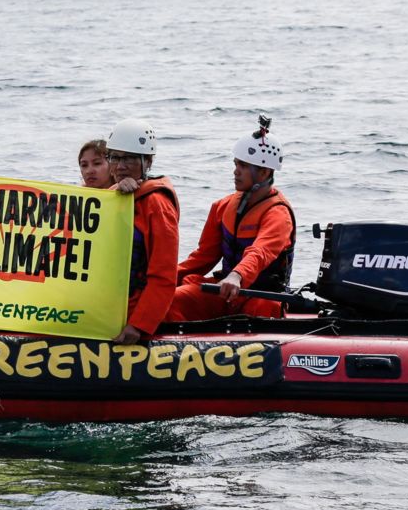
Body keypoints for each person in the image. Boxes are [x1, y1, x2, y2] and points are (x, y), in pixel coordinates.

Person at [167, 118, 295, 322]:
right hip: (225, 291)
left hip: (260, 295)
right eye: (236, 164)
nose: (236, 171)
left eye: (243, 166)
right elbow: (202, 258)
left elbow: (260, 252)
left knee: (265, 308)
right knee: (172, 300)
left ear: (264, 172)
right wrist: (164, 278)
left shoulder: (278, 214)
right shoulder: (222, 206)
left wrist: (237, 275)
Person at [105, 119, 180, 345]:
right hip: (103, 309)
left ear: (147, 161)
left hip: (133, 312)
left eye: (129, 158)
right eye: (115, 157)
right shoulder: (109, 196)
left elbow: (164, 275)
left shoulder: (158, 204)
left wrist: (139, 325)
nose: (120, 166)